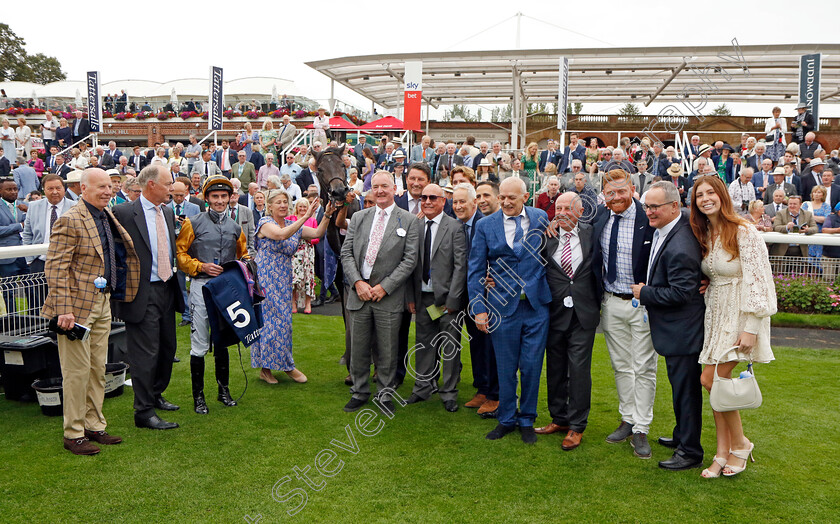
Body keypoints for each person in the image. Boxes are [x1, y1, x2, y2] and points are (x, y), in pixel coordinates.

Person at [42, 168, 140, 455]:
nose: (108, 191)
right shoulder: (70, 219)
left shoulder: (105, 215)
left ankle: (94, 425)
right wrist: (64, 309)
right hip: (75, 308)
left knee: (98, 368)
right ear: (83, 188)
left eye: (110, 186)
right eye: (101, 187)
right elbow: (55, 268)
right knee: (76, 372)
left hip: (102, 302)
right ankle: (73, 433)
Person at [689, 175, 777, 477]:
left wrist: (751, 327)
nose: (705, 198)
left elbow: (761, 281)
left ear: (722, 196)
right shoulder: (707, 233)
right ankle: (722, 452)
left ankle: (740, 444)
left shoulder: (744, 231)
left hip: (740, 314)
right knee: (716, 384)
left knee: (711, 379)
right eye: (699, 195)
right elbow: (716, 272)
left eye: (710, 192)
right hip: (716, 312)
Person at [468, 177, 551, 444]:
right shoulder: (485, 225)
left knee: (531, 366)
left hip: (536, 307)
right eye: (502, 197)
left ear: (525, 197)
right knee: (504, 368)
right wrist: (479, 309)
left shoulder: (540, 218)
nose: (505, 202)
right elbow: (476, 270)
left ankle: (527, 419)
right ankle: (506, 418)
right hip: (501, 308)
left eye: (511, 198)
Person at [630, 181, 705, 470]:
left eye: (655, 207)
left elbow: (682, 293)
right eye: (647, 205)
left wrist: (644, 292)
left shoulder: (681, 246)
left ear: (674, 206)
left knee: (685, 392)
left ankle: (690, 452)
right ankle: (681, 437)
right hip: (678, 329)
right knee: (680, 389)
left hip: (683, 331)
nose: (648, 212)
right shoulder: (679, 222)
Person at [340, 170, 420, 414]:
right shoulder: (359, 218)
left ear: (394, 188)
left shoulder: (408, 220)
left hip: (388, 297)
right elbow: (346, 254)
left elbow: (409, 260)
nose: (380, 191)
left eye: (385, 186)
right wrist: (358, 283)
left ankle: (385, 395)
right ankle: (360, 391)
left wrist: (384, 287)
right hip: (360, 294)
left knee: (387, 351)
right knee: (359, 349)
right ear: (370, 190)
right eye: (375, 187)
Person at [113, 165, 184, 430]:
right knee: (145, 354)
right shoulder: (122, 212)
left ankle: (155, 395)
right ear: (151, 185)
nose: (172, 189)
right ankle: (143, 412)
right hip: (140, 292)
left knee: (167, 348)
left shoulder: (166, 211)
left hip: (167, 288)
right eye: (168, 184)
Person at [592, 169, 656, 459]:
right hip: (611, 302)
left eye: (620, 191)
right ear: (604, 194)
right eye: (610, 193)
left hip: (642, 304)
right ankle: (628, 418)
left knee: (644, 367)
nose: (615, 197)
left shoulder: (650, 219)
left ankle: (642, 427)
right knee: (621, 366)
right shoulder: (600, 217)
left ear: (632, 189)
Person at [176, 176, 249, 415]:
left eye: (223, 197)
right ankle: (198, 397)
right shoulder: (193, 222)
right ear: (206, 198)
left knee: (223, 340)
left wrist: (245, 267)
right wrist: (201, 266)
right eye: (215, 197)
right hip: (200, 286)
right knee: (198, 344)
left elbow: (243, 255)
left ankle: (223, 390)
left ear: (230, 198)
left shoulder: (236, 227)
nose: (219, 201)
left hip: (226, 290)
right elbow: (180, 255)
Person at [534, 192, 599, 451]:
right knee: (556, 368)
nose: (561, 212)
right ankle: (558, 418)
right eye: (558, 208)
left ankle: (576, 425)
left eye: (568, 209)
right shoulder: (545, 237)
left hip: (584, 313)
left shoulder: (593, 233)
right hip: (554, 313)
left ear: (581, 212)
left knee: (579, 370)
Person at [252, 189, 332, 383]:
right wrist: (305, 216)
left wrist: (327, 214)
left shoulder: (292, 224)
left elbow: (318, 232)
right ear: (269, 206)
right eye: (278, 202)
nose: (282, 205)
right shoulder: (265, 223)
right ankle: (266, 368)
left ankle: (286, 364)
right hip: (265, 276)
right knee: (268, 321)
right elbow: (280, 236)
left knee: (284, 322)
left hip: (284, 276)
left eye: (285, 202)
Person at [404, 183, 467, 412]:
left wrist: (453, 300)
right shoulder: (416, 225)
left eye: (432, 197)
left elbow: (461, 267)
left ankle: (449, 392)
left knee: (450, 348)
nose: (427, 201)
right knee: (423, 345)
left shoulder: (455, 227)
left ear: (443, 201)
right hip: (422, 299)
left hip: (447, 301)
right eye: (423, 198)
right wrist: (411, 297)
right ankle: (422, 387)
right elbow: (411, 265)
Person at [451, 183, 499, 415]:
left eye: (463, 202)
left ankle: (494, 393)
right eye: (455, 202)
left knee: (490, 344)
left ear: (473, 204)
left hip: (489, 295)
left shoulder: (485, 223)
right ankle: (482, 388)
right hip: (466, 294)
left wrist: (495, 273)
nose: (458, 206)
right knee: (476, 343)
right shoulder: (456, 225)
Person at [23, 174, 70, 275]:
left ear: (64, 188)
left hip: (67, 263)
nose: (55, 192)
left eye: (58, 188)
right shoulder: (34, 206)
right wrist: (30, 259)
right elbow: (27, 233)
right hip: (39, 262)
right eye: (50, 188)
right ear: (44, 190)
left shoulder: (75, 206)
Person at [169, 180, 201, 326]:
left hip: (191, 251)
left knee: (195, 283)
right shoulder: (165, 208)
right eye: (176, 195)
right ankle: (186, 315)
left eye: (182, 195)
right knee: (180, 283)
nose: (179, 198)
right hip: (173, 250)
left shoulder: (194, 208)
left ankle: (197, 313)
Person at [288, 199, 319, 314]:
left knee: (308, 277)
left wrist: (308, 238)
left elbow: (317, 237)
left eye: (304, 207)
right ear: (297, 207)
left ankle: (307, 303)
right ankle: (293, 303)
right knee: (294, 278)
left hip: (308, 251)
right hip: (295, 252)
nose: (302, 209)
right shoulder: (291, 219)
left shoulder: (312, 220)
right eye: (300, 206)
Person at [0, 178, 27, 278]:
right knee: (9, 290)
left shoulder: (24, 205)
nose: (13, 192)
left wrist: (29, 211)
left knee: (33, 288)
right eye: (9, 189)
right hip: (7, 256)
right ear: (0, 191)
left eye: (15, 189)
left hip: (26, 253)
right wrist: (19, 226)